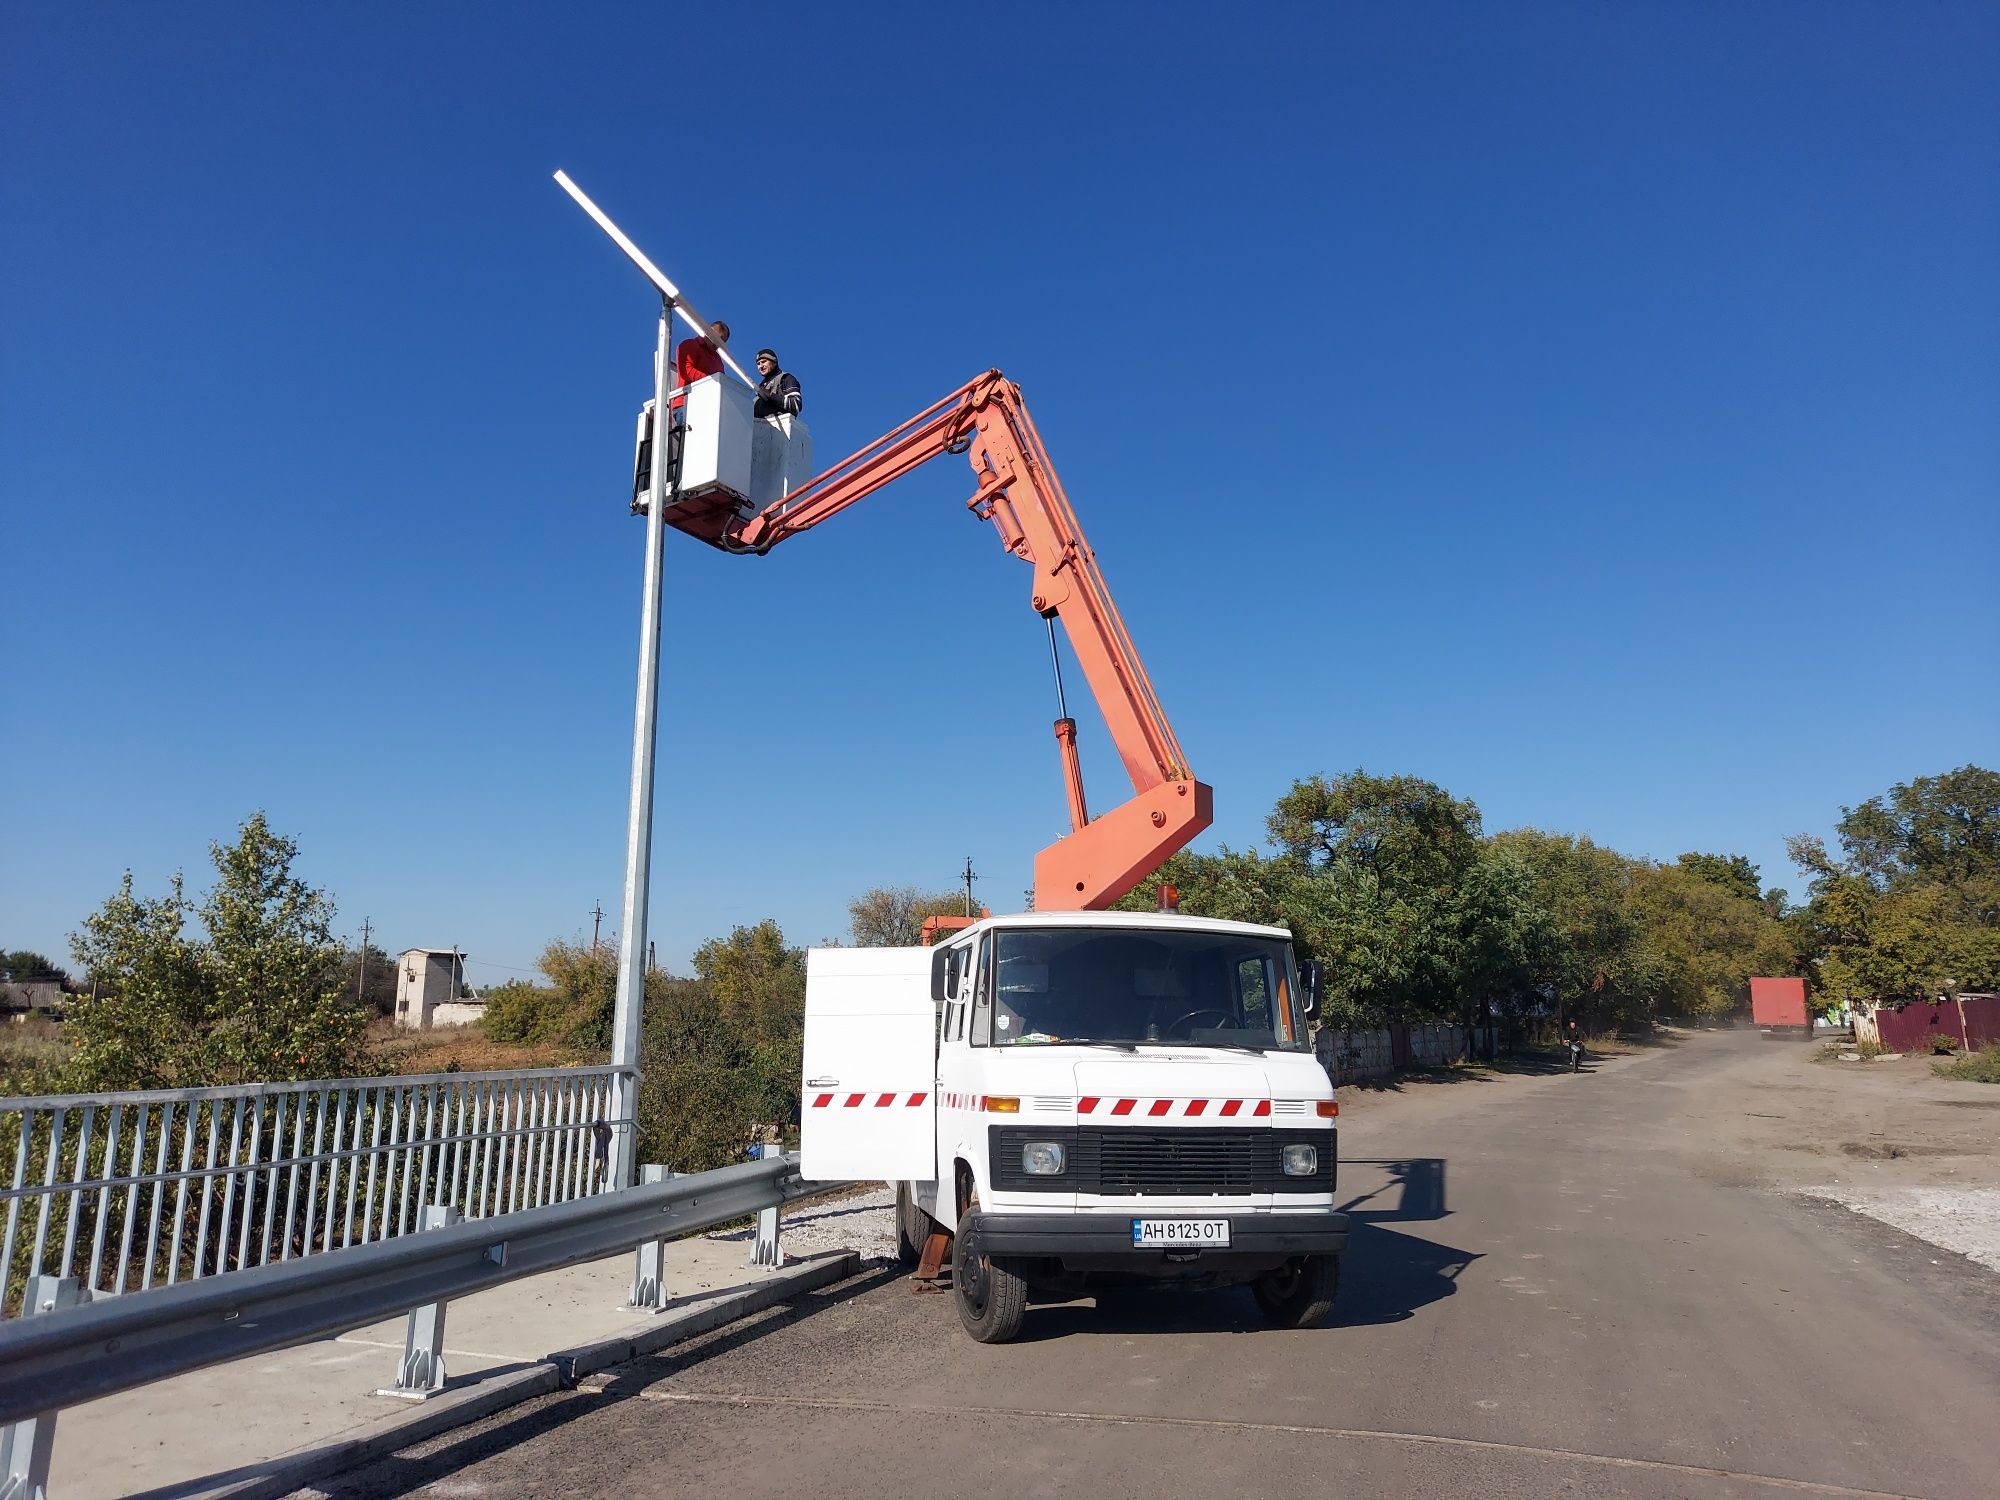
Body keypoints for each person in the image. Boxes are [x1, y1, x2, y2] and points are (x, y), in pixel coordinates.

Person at [670, 320, 729, 411]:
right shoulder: (690, 345)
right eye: (718, 338)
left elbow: (722, 382)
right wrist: (711, 380)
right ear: (707, 331)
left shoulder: (717, 359)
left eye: (722, 342)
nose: (718, 343)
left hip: (708, 406)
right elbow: (686, 371)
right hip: (686, 404)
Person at [753, 347, 802, 419]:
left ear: (774, 362)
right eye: (758, 364)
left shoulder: (786, 378)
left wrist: (771, 396)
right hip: (758, 427)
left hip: (780, 427)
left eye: (764, 361)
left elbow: (796, 405)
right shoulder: (761, 386)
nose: (761, 366)